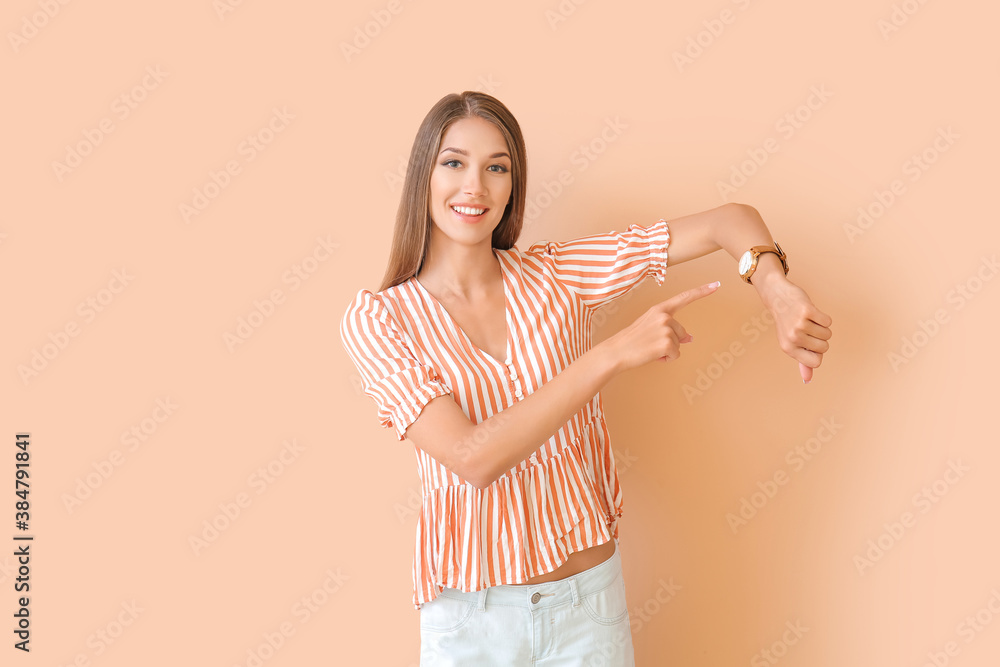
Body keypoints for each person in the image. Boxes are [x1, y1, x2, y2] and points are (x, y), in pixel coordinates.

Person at [340, 91, 832, 665]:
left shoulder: (556, 274)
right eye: (454, 162)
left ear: (512, 187)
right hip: (472, 626)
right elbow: (472, 458)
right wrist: (611, 354)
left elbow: (729, 221)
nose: (474, 186)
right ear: (422, 176)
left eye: (496, 167)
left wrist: (774, 287)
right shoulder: (379, 319)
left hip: (587, 611)